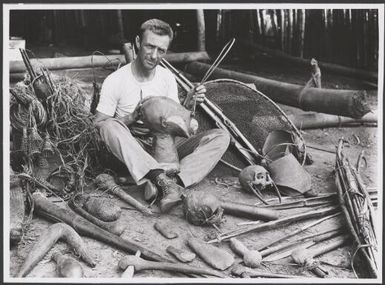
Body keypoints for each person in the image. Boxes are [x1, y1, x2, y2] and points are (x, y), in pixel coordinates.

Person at [94, 19, 230, 213]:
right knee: (109, 127)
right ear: (138, 42)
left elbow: (171, 121)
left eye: (161, 50)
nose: (154, 55)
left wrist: (189, 103)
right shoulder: (115, 80)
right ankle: (160, 178)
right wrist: (131, 118)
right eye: (149, 46)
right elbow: (97, 124)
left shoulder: (166, 77)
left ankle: (173, 182)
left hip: (166, 145)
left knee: (220, 136)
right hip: (135, 147)